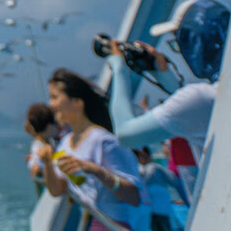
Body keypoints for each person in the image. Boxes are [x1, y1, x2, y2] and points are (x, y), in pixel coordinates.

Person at [105, 0, 230, 164]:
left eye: (179, 42)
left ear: (194, 41)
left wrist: (119, 68)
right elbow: (191, 108)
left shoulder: (201, 98)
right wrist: (163, 75)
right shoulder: (230, 88)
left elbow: (125, 135)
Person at [36, 68, 150, 231]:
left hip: (112, 225)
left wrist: (95, 170)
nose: (50, 105)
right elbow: (57, 190)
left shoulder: (103, 141)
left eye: (55, 97)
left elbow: (134, 197)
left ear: (77, 102)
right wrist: (48, 163)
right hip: (89, 224)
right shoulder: (65, 144)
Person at [134, 146, 187, 231]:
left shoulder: (154, 168)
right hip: (156, 211)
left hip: (157, 211)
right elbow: (176, 182)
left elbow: (175, 181)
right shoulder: (151, 169)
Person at [24, 102, 65, 187]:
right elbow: (35, 169)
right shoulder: (39, 148)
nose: (58, 126)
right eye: (55, 123)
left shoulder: (49, 141)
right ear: (49, 127)